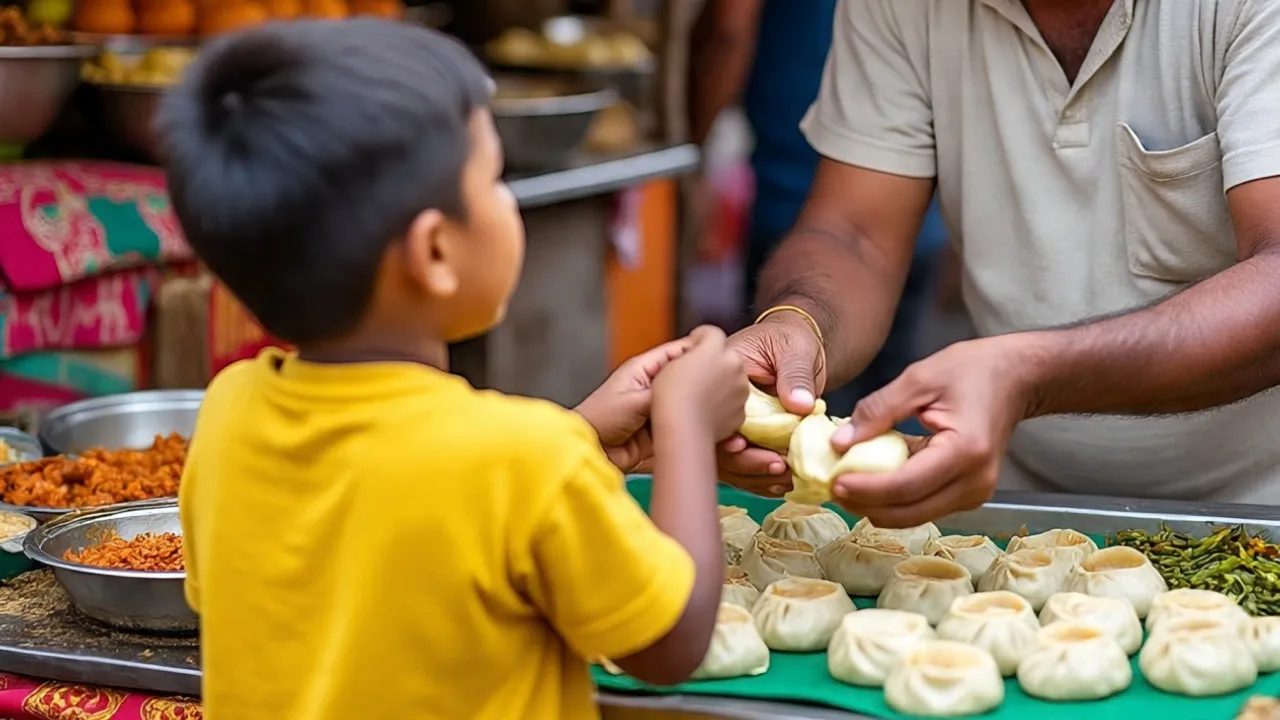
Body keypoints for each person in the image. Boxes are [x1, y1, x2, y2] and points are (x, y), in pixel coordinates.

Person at [159, 20, 746, 720]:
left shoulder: (230, 409)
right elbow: (670, 643)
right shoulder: (523, 461)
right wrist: (685, 423)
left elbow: (403, 519)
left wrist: (579, 441)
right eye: (494, 177)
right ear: (434, 252)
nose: (507, 199)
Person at [718, 0, 1280, 524]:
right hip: (1021, 511)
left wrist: (1030, 375)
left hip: (1258, 505)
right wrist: (798, 324)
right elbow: (855, 234)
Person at [687, 0, 947, 419]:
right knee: (883, 404)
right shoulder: (891, 19)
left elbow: (728, 26)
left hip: (793, 189)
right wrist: (794, 321)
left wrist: (693, 151)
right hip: (862, 230)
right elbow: (852, 236)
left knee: (859, 421)